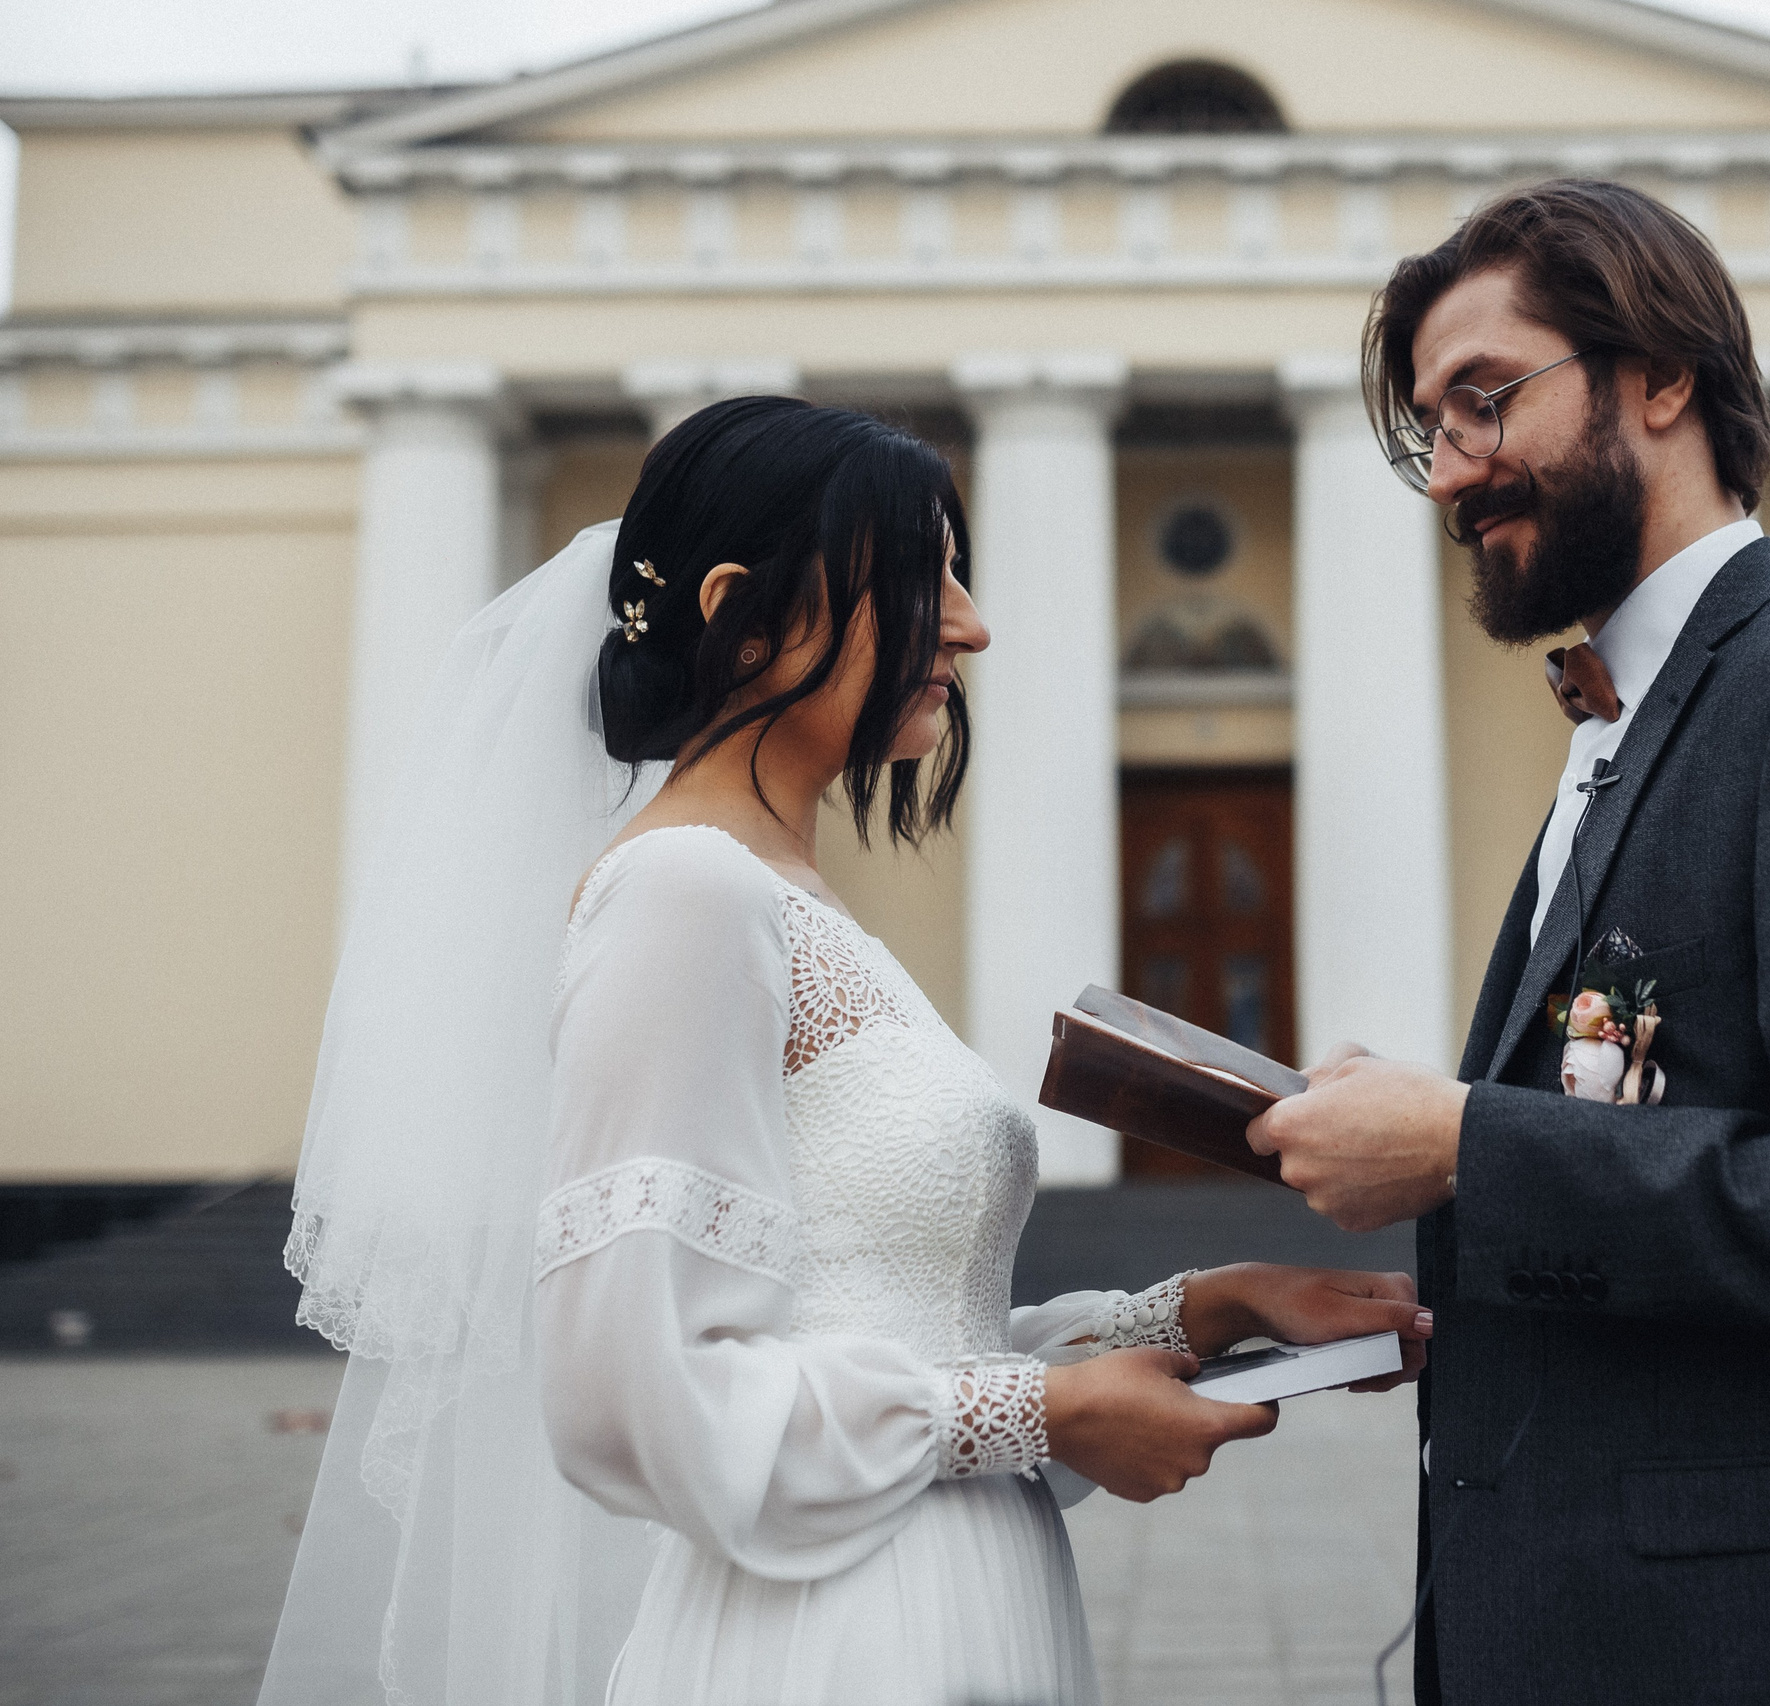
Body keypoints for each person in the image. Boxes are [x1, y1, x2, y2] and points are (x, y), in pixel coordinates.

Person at [262, 397, 1427, 1706]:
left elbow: (899, 1327)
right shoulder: (684, 895)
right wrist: (1046, 1415)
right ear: (745, 614)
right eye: (925, 581)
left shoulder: (789, 898)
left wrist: (1199, 1307)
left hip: (947, 1589)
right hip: (837, 1637)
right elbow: (626, 1398)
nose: (975, 625)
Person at [1247, 180, 1770, 1703]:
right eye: (1427, 431)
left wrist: (1471, 1148)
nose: (1451, 472)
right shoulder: (1620, 720)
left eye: (1484, 400)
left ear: (1662, 376)